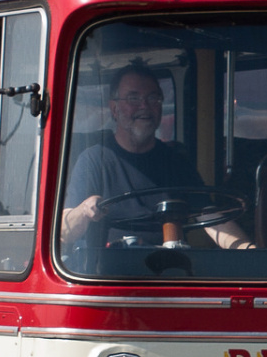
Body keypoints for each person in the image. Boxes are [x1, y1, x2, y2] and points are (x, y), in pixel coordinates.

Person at [61, 63, 253, 250]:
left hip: (169, 272)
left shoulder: (176, 162)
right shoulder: (94, 160)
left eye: (153, 98)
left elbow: (210, 218)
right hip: (110, 276)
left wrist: (251, 252)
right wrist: (84, 210)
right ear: (114, 109)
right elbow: (64, 232)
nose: (144, 106)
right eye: (133, 98)